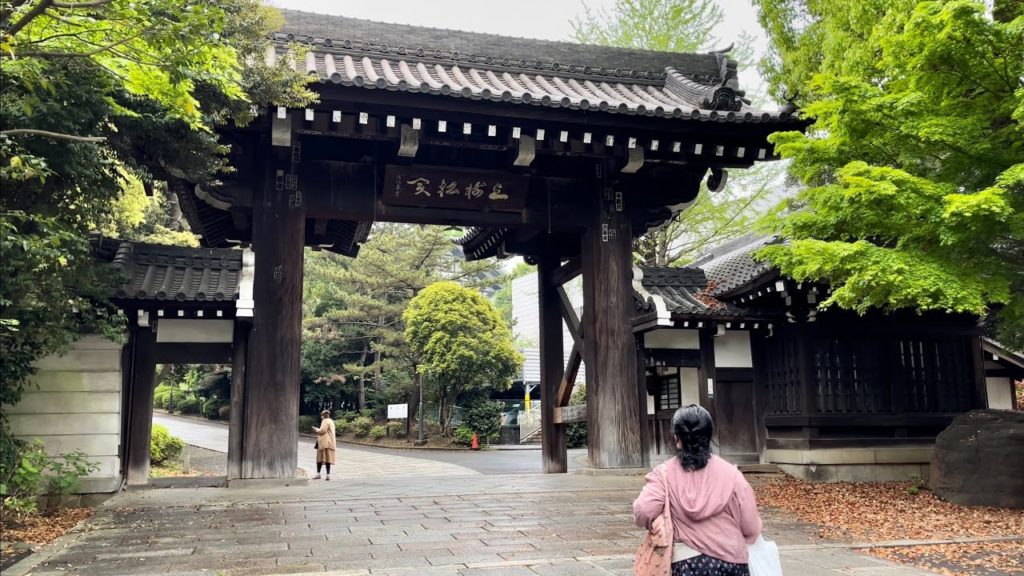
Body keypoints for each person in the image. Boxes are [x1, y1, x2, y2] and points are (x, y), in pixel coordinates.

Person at [633, 405, 762, 576]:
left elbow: (643, 511)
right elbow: (751, 526)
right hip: (732, 563)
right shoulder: (732, 474)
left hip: (686, 563)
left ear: (677, 438)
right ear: (709, 435)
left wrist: (659, 522)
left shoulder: (663, 474)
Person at [311, 409, 336, 480]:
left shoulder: (325, 421)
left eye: (322, 415)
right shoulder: (331, 421)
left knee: (319, 458)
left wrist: (315, 429)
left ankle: (318, 474)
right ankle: (328, 475)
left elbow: (322, 431)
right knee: (328, 458)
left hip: (324, 442)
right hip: (331, 442)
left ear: (323, 415)